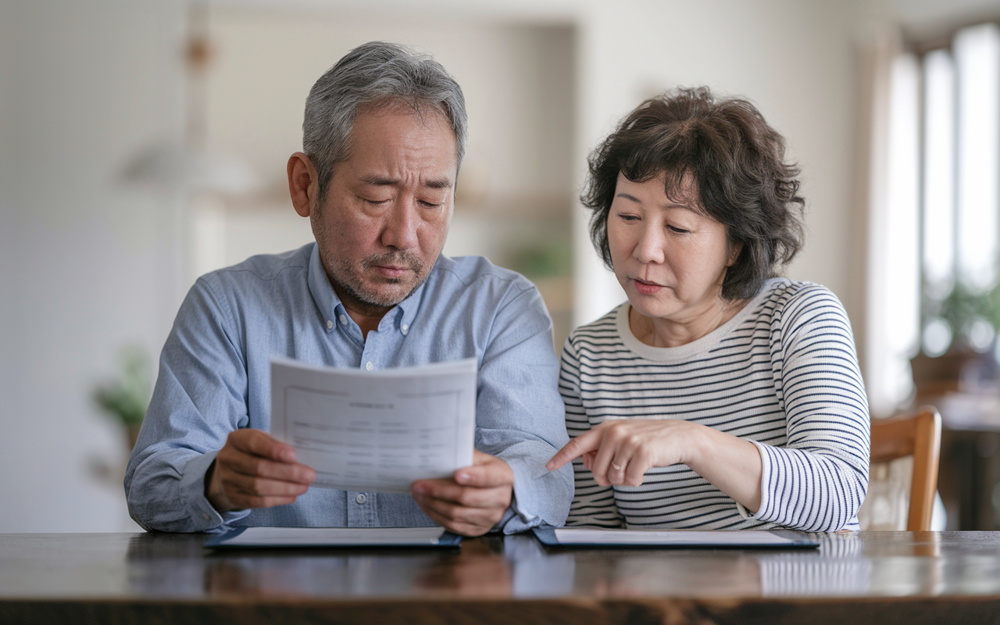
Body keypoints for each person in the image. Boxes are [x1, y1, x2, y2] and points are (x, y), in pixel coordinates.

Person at [125, 41, 573, 536]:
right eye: (375, 197)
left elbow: (546, 473)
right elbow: (152, 482)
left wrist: (505, 490)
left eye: (430, 201)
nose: (403, 236)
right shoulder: (228, 306)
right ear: (304, 185)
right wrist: (215, 483)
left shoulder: (500, 308)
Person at [546, 87, 869, 531]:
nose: (646, 250)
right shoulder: (590, 354)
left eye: (678, 226)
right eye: (628, 217)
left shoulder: (798, 318)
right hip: (660, 599)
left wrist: (692, 442)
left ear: (736, 243)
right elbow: (588, 529)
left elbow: (838, 493)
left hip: (794, 593)